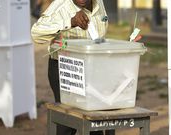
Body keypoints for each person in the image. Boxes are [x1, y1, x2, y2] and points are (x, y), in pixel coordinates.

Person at [31, 0, 114, 135]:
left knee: (95, 118)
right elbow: (36, 33)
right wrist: (70, 22)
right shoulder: (61, 5)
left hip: (93, 68)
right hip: (65, 70)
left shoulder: (99, 3)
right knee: (69, 120)